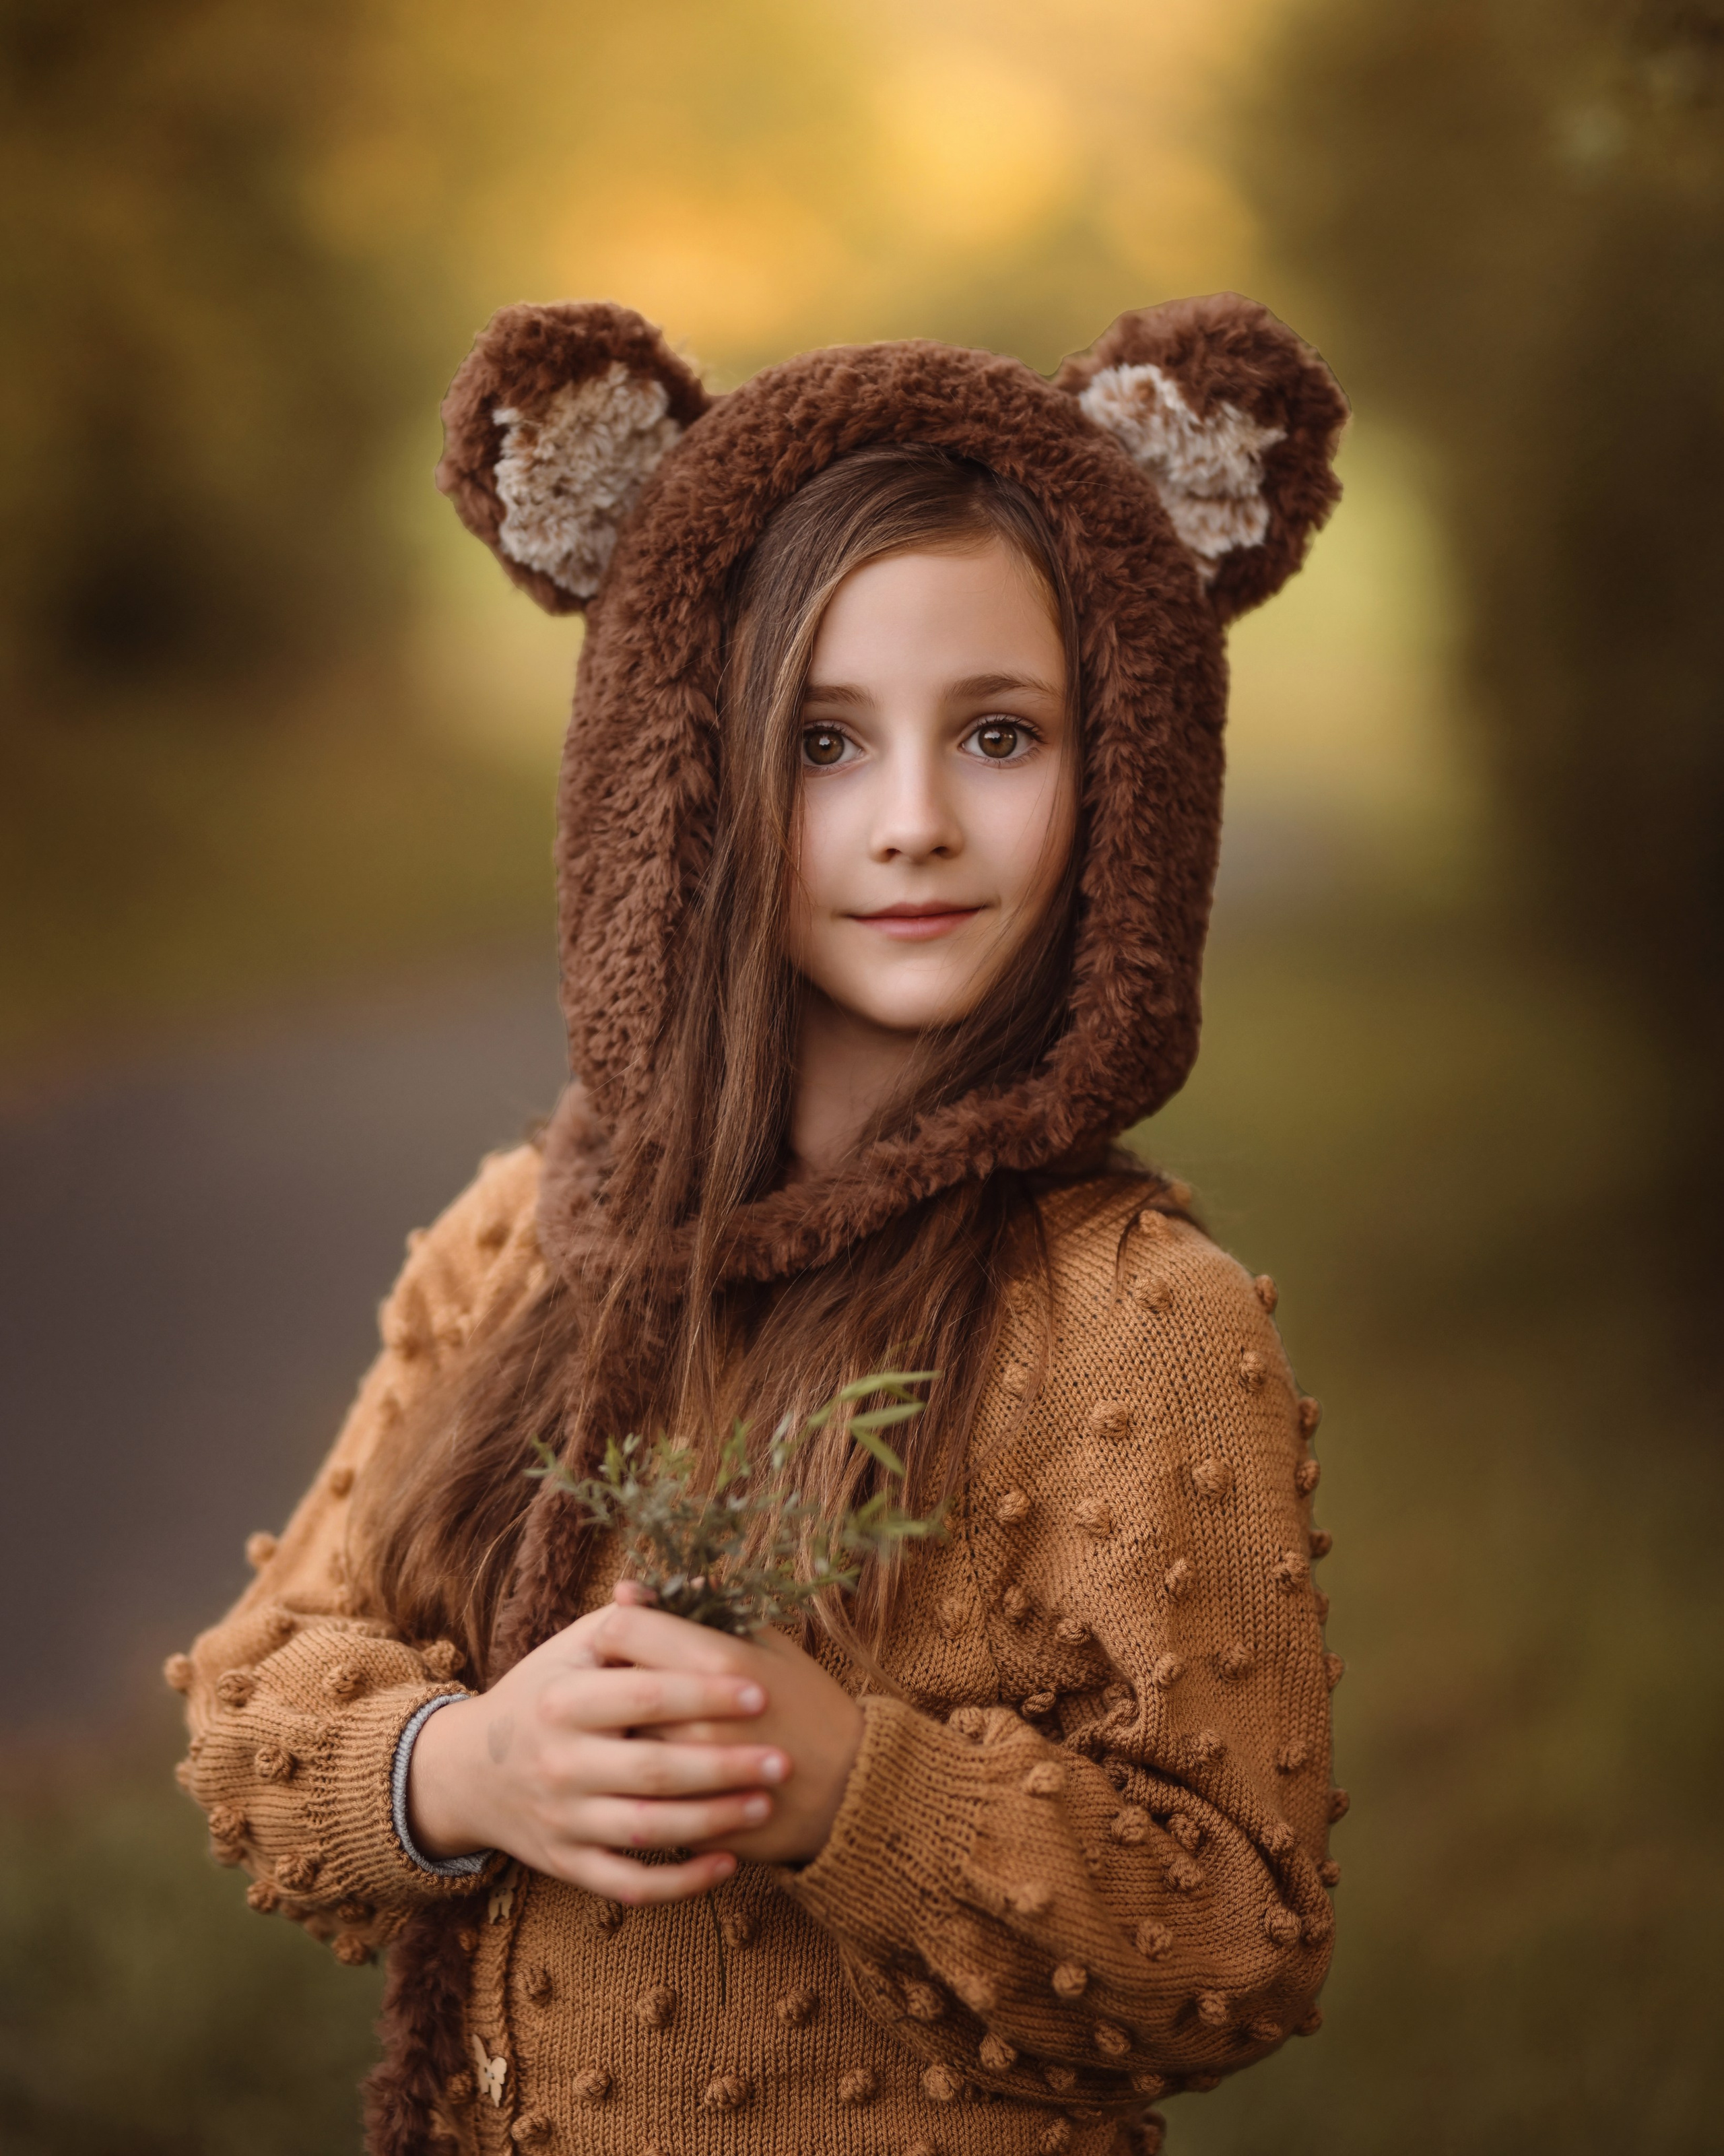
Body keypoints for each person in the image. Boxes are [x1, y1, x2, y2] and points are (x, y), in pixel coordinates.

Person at [166, 294, 1350, 2156]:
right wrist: (467, 1763)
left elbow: (1236, 1929)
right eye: (822, 741)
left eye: (1001, 735)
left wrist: (849, 1790)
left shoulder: (1139, 1319)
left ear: (1122, 775)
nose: (911, 824)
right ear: (691, 779)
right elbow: (250, 1708)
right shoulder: (526, 1245)